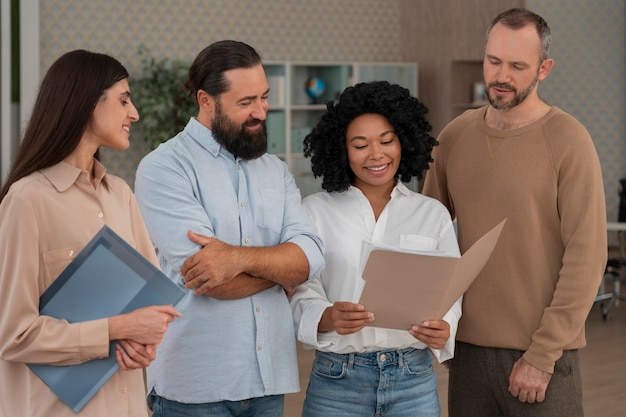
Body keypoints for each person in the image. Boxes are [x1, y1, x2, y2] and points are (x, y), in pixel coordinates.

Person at [422, 8, 607, 417]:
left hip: (543, 357)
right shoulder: (455, 136)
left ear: (544, 69)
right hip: (466, 354)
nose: (501, 75)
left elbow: (587, 257)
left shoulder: (569, 140)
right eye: (494, 61)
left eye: (518, 66)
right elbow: (427, 235)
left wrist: (542, 355)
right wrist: (442, 327)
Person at [134, 40, 325, 417]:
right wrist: (280, 270)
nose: (261, 111)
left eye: (264, 97)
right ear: (206, 100)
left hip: (268, 381)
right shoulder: (164, 168)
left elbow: (311, 258)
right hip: (195, 385)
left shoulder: (275, 170)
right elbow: (213, 280)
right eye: (246, 102)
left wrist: (235, 257)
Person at [0, 50, 181, 417]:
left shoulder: (121, 195)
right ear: (85, 101)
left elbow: (152, 304)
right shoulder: (27, 200)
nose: (135, 114)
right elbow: (13, 335)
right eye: (124, 100)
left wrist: (145, 341)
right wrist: (116, 328)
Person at [290, 80, 462, 417]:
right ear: (341, 150)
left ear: (404, 141)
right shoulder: (313, 211)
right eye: (360, 145)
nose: (377, 154)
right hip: (337, 383)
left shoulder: (432, 214)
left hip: (413, 380)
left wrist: (445, 327)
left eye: (387, 141)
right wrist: (326, 316)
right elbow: (299, 289)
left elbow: (450, 292)